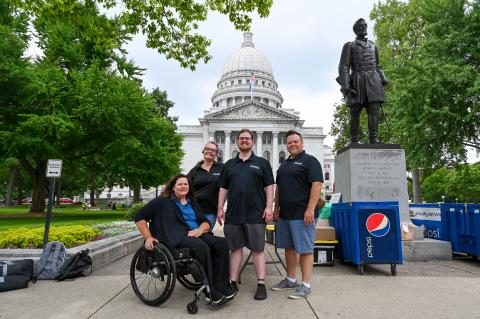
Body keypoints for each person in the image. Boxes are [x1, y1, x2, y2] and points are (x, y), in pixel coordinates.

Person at [134, 174, 236, 304]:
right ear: (173, 187)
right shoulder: (162, 201)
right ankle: (210, 290)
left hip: (197, 233)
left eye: (186, 184)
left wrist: (200, 230)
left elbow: (205, 222)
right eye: (180, 184)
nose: (183, 186)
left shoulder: (191, 201)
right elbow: (139, 217)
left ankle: (222, 286)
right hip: (176, 236)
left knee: (221, 244)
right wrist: (148, 237)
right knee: (201, 247)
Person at [217, 129, 274, 301]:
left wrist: (268, 207)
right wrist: (220, 208)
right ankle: (232, 282)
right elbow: (223, 188)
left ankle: (261, 283)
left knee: (257, 249)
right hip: (234, 214)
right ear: (237, 141)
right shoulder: (229, 165)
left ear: (252, 142)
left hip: (256, 213)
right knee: (235, 249)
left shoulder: (262, 163)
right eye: (241, 138)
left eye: (247, 139)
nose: (244, 141)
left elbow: (269, 186)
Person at [272, 130, 323, 299]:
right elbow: (279, 187)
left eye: (295, 141)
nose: (292, 144)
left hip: (303, 214)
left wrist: (310, 209)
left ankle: (306, 285)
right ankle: (290, 279)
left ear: (302, 143)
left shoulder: (310, 161)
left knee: (305, 249)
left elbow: (317, 184)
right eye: (289, 142)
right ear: (286, 145)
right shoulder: (284, 164)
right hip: (285, 215)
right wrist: (276, 207)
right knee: (289, 247)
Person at [337, 18, 389, 144]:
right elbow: (344, 66)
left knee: (374, 110)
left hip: (373, 80)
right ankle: (354, 139)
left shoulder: (373, 45)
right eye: (361, 26)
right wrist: (346, 86)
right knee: (355, 111)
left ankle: (374, 138)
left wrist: (383, 77)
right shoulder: (349, 45)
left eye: (365, 25)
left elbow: (378, 66)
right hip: (358, 80)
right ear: (356, 29)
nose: (364, 27)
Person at [188, 141, 224, 229]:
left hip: (210, 212)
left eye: (213, 150)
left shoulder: (222, 168)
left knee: (204, 236)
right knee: (192, 237)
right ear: (203, 151)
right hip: (193, 210)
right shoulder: (195, 170)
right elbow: (185, 186)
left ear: (216, 154)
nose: (210, 151)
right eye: (207, 149)